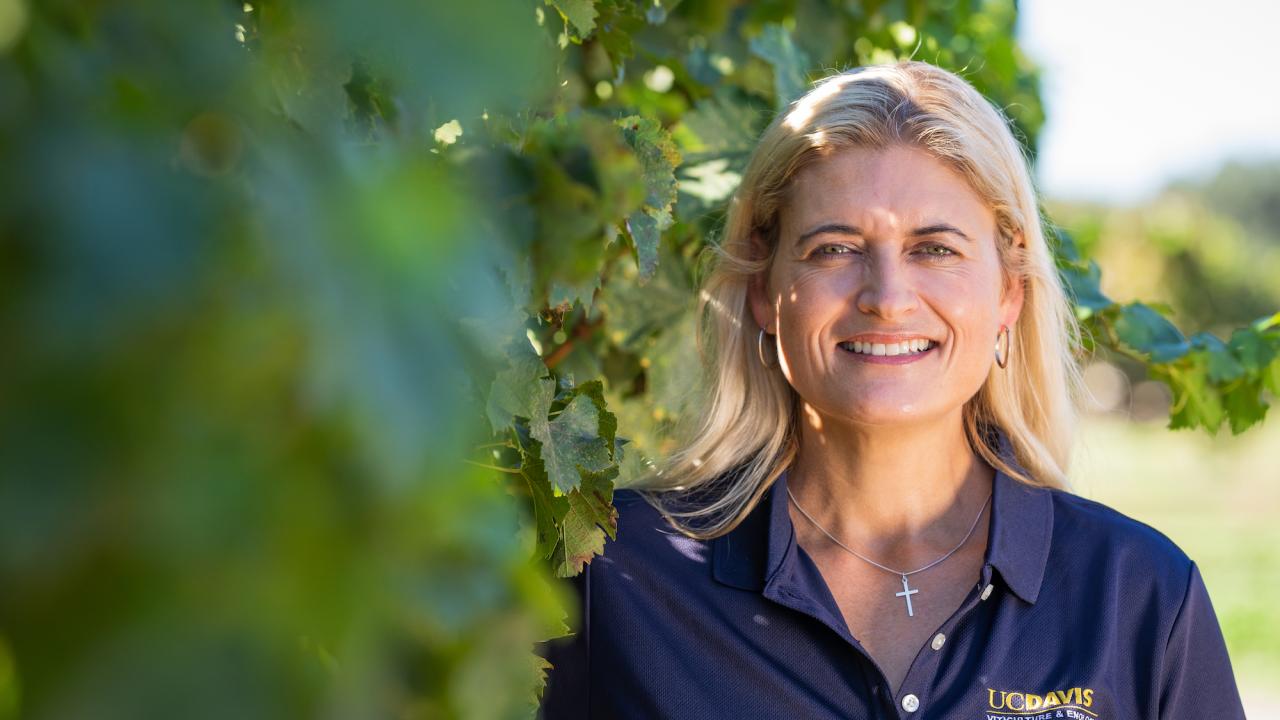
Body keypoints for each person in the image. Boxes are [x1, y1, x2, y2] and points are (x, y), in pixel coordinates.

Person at [535, 60, 1246, 719]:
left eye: (934, 249)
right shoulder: (614, 580)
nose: (887, 296)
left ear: (1009, 295)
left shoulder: (1138, 596)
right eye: (834, 249)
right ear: (764, 292)